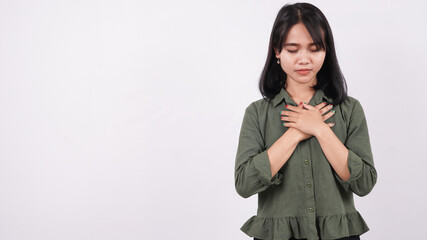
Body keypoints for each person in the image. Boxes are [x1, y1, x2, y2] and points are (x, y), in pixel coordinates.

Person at [234, 3, 377, 240]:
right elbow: (244, 184)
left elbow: (364, 184)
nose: (304, 59)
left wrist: (320, 130)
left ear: (326, 51)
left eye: (314, 49)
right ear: (277, 51)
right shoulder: (257, 114)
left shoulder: (349, 109)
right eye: (293, 49)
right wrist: (296, 133)